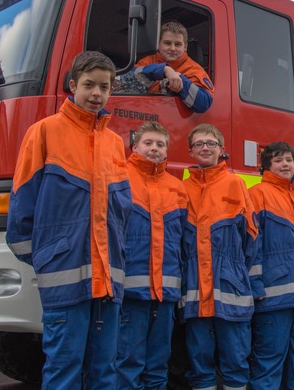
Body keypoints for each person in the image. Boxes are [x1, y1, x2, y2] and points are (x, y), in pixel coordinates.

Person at [6, 50, 132, 389]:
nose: (96, 94)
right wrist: (48, 258)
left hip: (107, 279)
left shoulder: (114, 143)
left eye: (104, 87)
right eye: (89, 85)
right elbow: (21, 211)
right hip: (65, 278)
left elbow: (122, 213)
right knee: (64, 369)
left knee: (105, 370)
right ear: (73, 85)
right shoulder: (43, 132)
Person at [181, 123, 258, 390]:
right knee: (199, 360)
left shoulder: (235, 184)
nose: (205, 148)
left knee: (236, 361)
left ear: (221, 150)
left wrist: (235, 273)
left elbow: (251, 239)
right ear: (190, 150)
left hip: (230, 288)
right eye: (199, 144)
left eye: (211, 143)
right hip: (195, 290)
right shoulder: (183, 188)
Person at [116, 122, 188, 390]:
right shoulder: (120, 179)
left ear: (167, 149)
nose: (154, 149)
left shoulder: (177, 187)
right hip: (130, 292)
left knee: (159, 365)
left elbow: (183, 243)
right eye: (148, 143)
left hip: (166, 295)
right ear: (135, 147)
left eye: (160, 144)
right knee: (127, 362)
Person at [248, 142, 294, 390]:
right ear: (267, 165)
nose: (285, 164)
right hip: (272, 296)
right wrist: (256, 285)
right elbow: (252, 244)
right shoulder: (258, 194)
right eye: (278, 160)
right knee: (269, 363)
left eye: (289, 159)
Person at [117, 21, 214, 113]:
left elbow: (204, 104)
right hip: (145, 114)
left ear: (185, 47)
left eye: (178, 44)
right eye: (167, 43)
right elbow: (127, 80)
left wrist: (181, 82)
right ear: (158, 44)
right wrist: (163, 70)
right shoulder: (147, 61)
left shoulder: (194, 69)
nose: (172, 48)